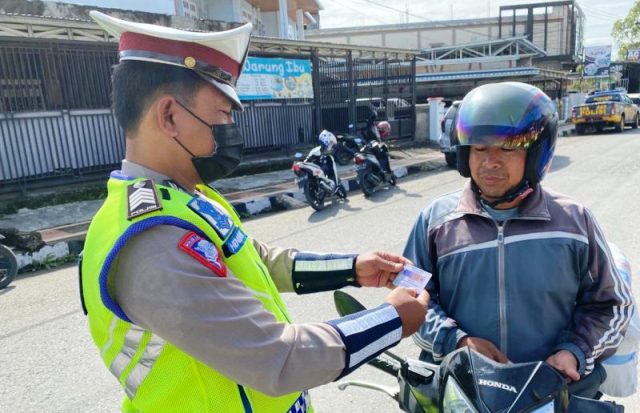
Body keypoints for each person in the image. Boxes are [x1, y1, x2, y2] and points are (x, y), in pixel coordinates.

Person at [80, 11, 429, 413]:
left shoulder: (188, 197)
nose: (231, 128)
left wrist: (352, 267)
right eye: (222, 114)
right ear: (170, 116)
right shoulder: (152, 241)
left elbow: (255, 259)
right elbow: (278, 359)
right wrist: (391, 321)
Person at [403, 82, 633, 394]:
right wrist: (456, 341)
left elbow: (612, 305)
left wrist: (574, 352)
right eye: (479, 148)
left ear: (538, 154)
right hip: (464, 391)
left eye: (508, 148)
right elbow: (410, 297)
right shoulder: (436, 221)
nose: (490, 162)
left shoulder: (574, 222)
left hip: (550, 391)